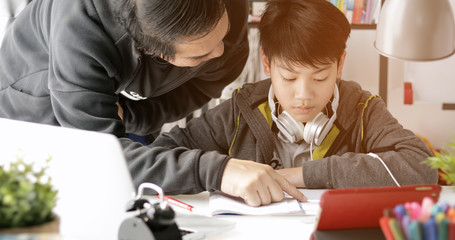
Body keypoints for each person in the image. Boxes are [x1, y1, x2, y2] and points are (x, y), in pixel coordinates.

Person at [128, 0, 438, 207]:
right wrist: (221, 170)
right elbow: (156, 157)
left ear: (340, 63)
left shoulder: (363, 109)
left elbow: (422, 167)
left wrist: (298, 175)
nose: (304, 95)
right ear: (266, 62)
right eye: (289, 77)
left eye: (319, 78)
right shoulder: (240, 109)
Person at [0, 0, 248, 165]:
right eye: (199, 55)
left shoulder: (230, 8)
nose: (220, 52)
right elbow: (105, 158)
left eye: (223, 33)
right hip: (36, 106)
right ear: (155, 52)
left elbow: (202, 86)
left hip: (129, 100)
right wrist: (218, 171)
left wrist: (135, 116)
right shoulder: (79, 30)